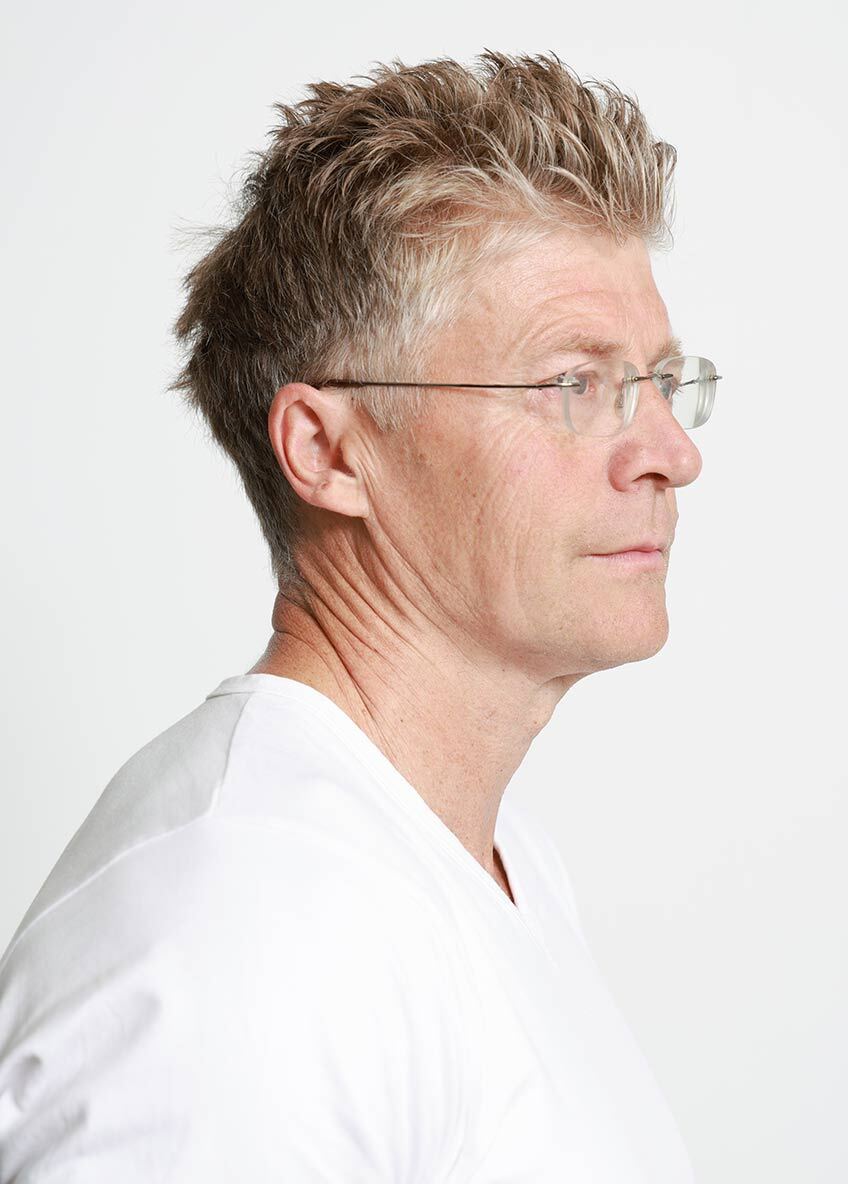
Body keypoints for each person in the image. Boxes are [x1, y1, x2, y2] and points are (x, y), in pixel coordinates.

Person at [0, 49, 720, 1181]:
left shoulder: (489, 864)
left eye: (663, 383)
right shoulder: (246, 924)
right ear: (328, 451)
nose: (671, 453)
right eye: (572, 384)